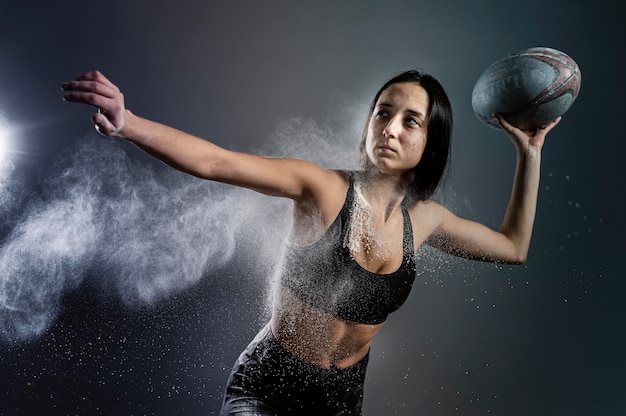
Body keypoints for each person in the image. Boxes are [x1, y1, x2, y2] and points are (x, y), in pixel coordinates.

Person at [62, 69, 560, 415]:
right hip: (267, 388)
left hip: (340, 402)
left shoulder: (426, 221)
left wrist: (530, 152)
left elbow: (513, 247)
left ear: (433, 141)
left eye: (411, 121)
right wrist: (128, 123)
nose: (390, 128)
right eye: (382, 113)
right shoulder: (321, 188)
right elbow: (216, 162)